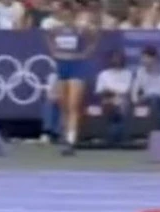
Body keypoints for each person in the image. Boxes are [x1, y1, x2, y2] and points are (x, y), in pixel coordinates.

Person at [45, 0, 100, 156]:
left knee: (73, 105)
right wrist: (53, 52)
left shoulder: (80, 29)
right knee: (63, 106)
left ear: (73, 14)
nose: (66, 16)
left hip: (77, 68)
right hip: (62, 67)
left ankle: (71, 140)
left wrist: (85, 53)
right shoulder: (56, 29)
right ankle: (64, 136)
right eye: (64, 13)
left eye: (69, 13)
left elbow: (95, 38)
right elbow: (48, 39)